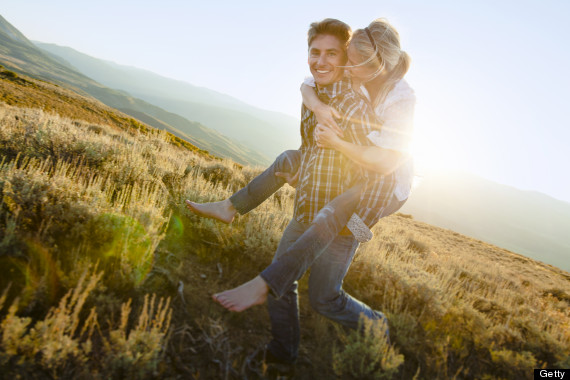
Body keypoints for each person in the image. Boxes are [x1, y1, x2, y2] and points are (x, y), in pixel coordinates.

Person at [186, 18, 415, 367]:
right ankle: (282, 353)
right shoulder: (328, 88)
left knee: (324, 296)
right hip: (316, 197)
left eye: (336, 56)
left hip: (373, 192)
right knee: (290, 168)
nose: (325, 62)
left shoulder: (382, 100)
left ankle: (376, 324)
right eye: (315, 53)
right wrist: (316, 112)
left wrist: (333, 143)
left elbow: (382, 168)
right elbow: (307, 88)